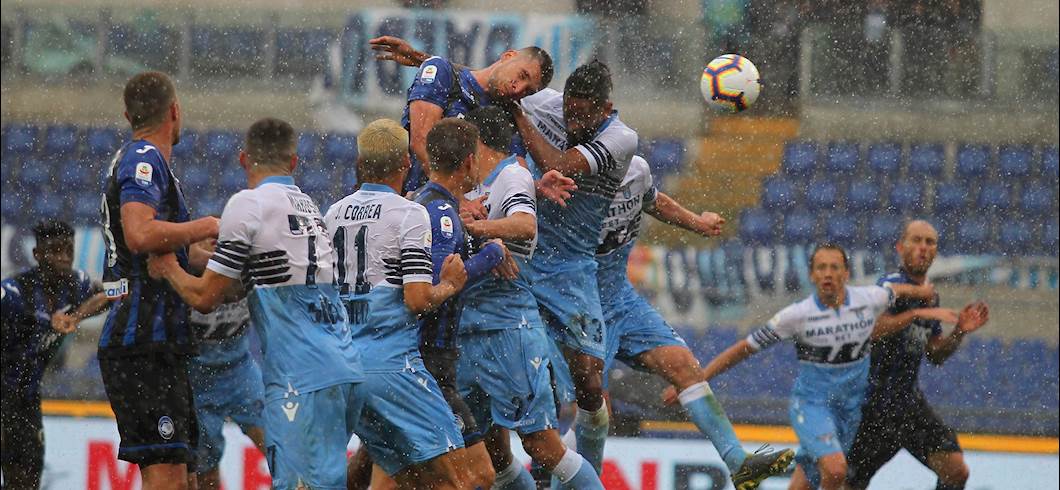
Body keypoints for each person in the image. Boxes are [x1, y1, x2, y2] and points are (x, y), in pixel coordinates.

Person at [149, 117, 366, 489]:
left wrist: (168, 267)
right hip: (344, 368)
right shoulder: (310, 207)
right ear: (294, 163)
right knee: (326, 483)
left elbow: (204, 298)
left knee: (294, 484)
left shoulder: (247, 204)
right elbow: (241, 287)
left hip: (299, 376)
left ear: (243, 159)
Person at [591, 156, 794, 489]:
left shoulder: (633, 166)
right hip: (578, 299)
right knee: (594, 411)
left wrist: (697, 223)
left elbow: (653, 200)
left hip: (619, 297)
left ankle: (738, 462)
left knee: (684, 366)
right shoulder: (561, 168)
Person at [681, 244, 935, 490]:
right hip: (813, 407)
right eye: (821, 267)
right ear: (812, 275)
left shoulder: (868, 300)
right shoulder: (797, 315)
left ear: (846, 274)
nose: (828, 273)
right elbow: (745, 348)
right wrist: (700, 378)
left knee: (805, 483)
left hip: (850, 411)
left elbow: (895, 290)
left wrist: (922, 293)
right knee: (836, 470)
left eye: (834, 267)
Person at [501, 60, 638, 473]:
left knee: (590, 384)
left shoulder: (621, 138)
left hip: (574, 270)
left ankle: (585, 457)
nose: (572, 120)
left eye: (582, 115)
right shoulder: (548, 103)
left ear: (606, 107)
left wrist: (518, 115)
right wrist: (426, 62)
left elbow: (558, 166)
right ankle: (546, 469)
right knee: (533, 372)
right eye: (568, 112)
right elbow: (482, 79)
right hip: (524, 262)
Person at [459, 106, 605, 490]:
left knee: (541, 445)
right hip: (468, 330)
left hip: (509, 328)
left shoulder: (512, 173)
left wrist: (480, 228)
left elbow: (525, 225)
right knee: (487, 453)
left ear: (477, 142)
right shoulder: (471, 187)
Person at [324, 118, 471, 489]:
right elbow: (418, 299)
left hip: (343, 366)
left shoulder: (333, 214)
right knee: (454, 478)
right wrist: (450, 285)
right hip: (392, 366)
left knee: (410, 480)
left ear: (360, 166)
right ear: (407, 164)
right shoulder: (410, 214)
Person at [98, 71, 220, 490]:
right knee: (166, 477)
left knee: (182, 476)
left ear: (127, 114)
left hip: (158, 340)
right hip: (141, 340)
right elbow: (139, 233)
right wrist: (204, 224)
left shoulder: (137, 159)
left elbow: (173, 251)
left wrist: (228, 259)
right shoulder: (144, 159)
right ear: (174, 111)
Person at [846, 220, 990, 490]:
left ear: (936, 252)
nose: (923, 247)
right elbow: (871, 330)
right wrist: (915, 313)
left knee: (956, 471)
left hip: (908, 404)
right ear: (901, 247)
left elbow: (935, 354)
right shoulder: (889, 286)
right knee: (848, 484)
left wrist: (959, 331)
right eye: (917, 240)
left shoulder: (931, 297)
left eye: (930, 242)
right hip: (871, 406)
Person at [410, 118, 514, 489]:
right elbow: (435, 285)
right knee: (477, 476)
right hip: (430, 359)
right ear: (470, 162)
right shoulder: (441, 215)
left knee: (400, 474)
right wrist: (491, 254)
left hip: (426, 357)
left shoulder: (429, 203)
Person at [1, 219, 110, 490]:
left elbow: (117, 291)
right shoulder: (13, 294)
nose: (62, 258)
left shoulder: (76, 285)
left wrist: (76, 316)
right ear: (37, 255)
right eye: (54, 251)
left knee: (26, 480)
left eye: (68, 251)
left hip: (26, 400)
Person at [378, 35, 553, 193]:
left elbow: (513, 175)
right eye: (522, 75)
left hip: (465, 220)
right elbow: (420, 141)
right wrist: (456, 199)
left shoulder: (507, 118)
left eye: (528, 91)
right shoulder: (443, 73)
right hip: (414, 203)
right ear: (508, 56)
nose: (519, 88)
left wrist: (536, 187)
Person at [183, 238, 266, 490]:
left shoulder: (247, 266)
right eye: (209, 242)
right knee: (205, 469)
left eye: (220, 241)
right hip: (196, 380)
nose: (214, 247)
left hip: (240, 371)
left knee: (278, 446)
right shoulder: (185, 272)